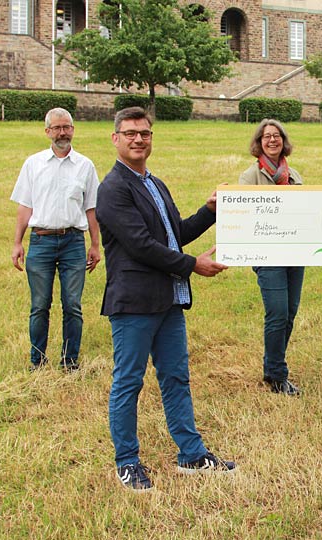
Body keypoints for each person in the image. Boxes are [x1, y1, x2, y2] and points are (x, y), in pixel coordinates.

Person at [96, 107, 236, 492]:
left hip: (169, 300)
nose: (139, 139)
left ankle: (191, 455)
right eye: (130, 133)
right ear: (116, 139)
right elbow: (141, 247)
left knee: (176, 378)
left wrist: (209, 212)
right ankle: (127, 462)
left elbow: (173, 234)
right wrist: (194, 265)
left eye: (145, 133)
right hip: (135, 303)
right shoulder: (112, 188)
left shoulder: (154, 183)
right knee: (128, 382)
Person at [10, 107, 101, 372]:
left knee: (72, 305)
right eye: (57, 128)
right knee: (39, 305)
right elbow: (25, 207)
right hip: (41, 242)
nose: (63, 133)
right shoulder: (33, 164)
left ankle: (70, 361)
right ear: (47, 132)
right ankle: (37, 361)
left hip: (74, 242)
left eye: (67, 127)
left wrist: (95, 245)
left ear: (73, 129)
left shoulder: (85, 166)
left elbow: (91, 208)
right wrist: (17, 242)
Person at [239, 119, 304, 396]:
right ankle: (277, 376)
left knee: (289, 314)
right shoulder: (249, 177)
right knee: (277, 312)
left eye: (277, 136)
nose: (272, 140)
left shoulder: (295, 175)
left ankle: (272, 366)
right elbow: (243, 215)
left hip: (296, 251)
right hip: (267, 253)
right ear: (259, 142)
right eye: (267, 136)